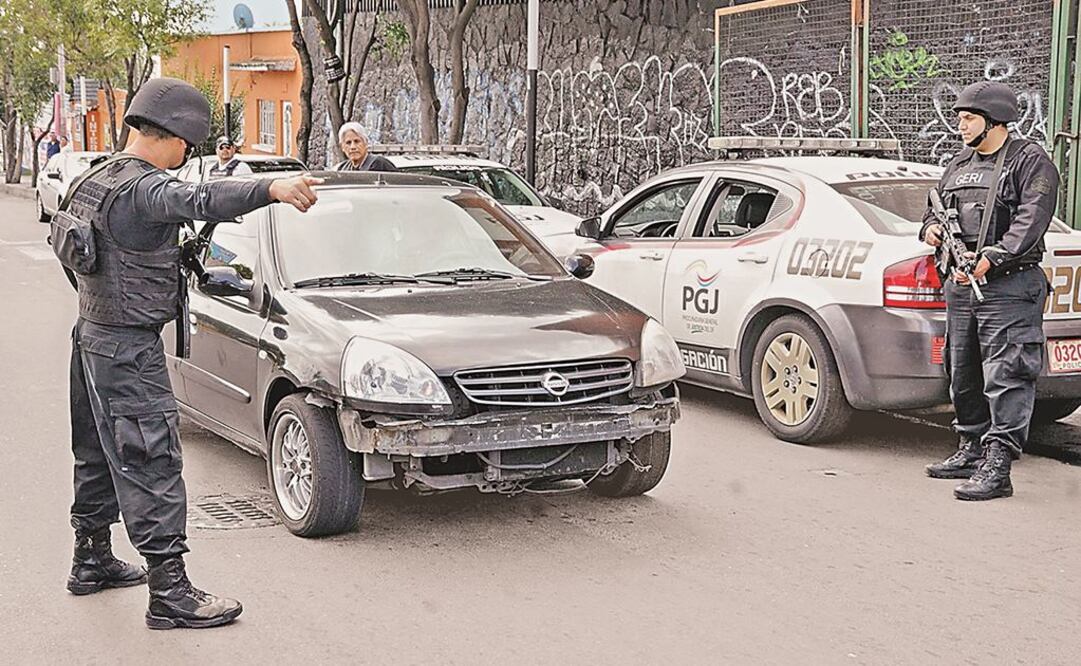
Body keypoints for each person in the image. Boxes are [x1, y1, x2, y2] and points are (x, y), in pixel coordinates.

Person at [62, 77, 321, 628]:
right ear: (175, 136)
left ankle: (91, 558)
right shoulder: (144, 189)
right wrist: (269, 191)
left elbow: (73, 258)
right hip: (127, 348)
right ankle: (170, 593)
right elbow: (197, 199)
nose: (186, 158)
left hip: (91, 335)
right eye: (188, 146)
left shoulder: (94, 179)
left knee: (97, 451)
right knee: (151, 457)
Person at [920, 81, 1060, 501]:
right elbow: (934, 208)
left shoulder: (1028, 160)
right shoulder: (959, 163)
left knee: (1008, 374)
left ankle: (998, 465)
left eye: (968, 118)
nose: (959, 125)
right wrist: (929, 229)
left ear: (994, 120)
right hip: (961, 286)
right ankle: (971, 447)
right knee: (961, 370)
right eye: (960, 117)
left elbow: (1032, 216)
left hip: (1008, 285)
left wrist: (995, 256)